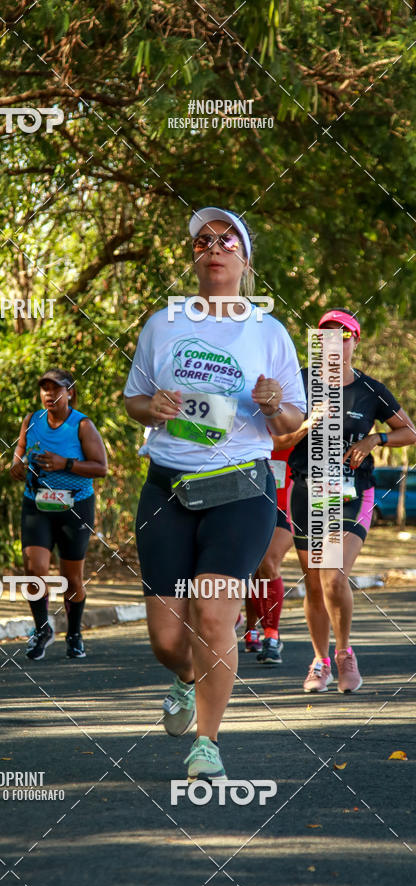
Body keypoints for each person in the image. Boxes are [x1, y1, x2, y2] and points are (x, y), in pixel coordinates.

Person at [124, 207, 306, 780]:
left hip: (241, 490)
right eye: (203, 240)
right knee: (166, 641)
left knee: (212, 608)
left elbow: (291, 423)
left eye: (226, 239)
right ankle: (184, 678)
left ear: (244, 259)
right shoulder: (163, 325)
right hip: (167, 491)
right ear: (194, 257)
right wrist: (148, 408)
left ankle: (207, 743)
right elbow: (133, 402)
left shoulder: (268, 332)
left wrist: (276, 404)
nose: (214, 246)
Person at [287, 309, 416, 693]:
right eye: (326, 336)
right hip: (306, 490)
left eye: (344, 336)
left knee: (332, 574)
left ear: (355, 343)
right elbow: (278, 430)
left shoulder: (371, 390)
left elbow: (409, 431)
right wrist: (302, 425)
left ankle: (344, 653)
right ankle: (320, 660)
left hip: (352, 492)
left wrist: (376, 439)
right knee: (313, 584)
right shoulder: (300, 383)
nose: (335, 343)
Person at [10, 368, 108, 660]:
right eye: (44, 389)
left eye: (56, 389)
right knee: (34, 567)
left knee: (71, 578)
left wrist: (65, 464)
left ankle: (74, 633)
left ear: (70, 392)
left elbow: (101, 468)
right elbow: (21, 448)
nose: (49, 394)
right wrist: (16, 463)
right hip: (37, 504)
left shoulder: (82, 426)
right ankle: (42, 629)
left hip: (74, 507)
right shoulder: (32, 419)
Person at [244, 441, 294, 663]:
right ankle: (250, 627)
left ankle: (272, 636)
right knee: (252, 568)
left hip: (288, 507)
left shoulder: (300, 416)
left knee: (268, 562)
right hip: (250, 502)